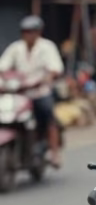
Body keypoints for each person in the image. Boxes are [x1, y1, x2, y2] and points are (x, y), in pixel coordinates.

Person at [0, 16, 65, 167]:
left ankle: (54, 153)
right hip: (19, 94)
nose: (28, 34)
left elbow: (55, 68)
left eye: (31, 31)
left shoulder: (47, 47)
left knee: (48, 116)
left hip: (40, 92)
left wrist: (48, 77)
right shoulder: (16, 48)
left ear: (38, 32)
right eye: (25, 31)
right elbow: (3, 66)